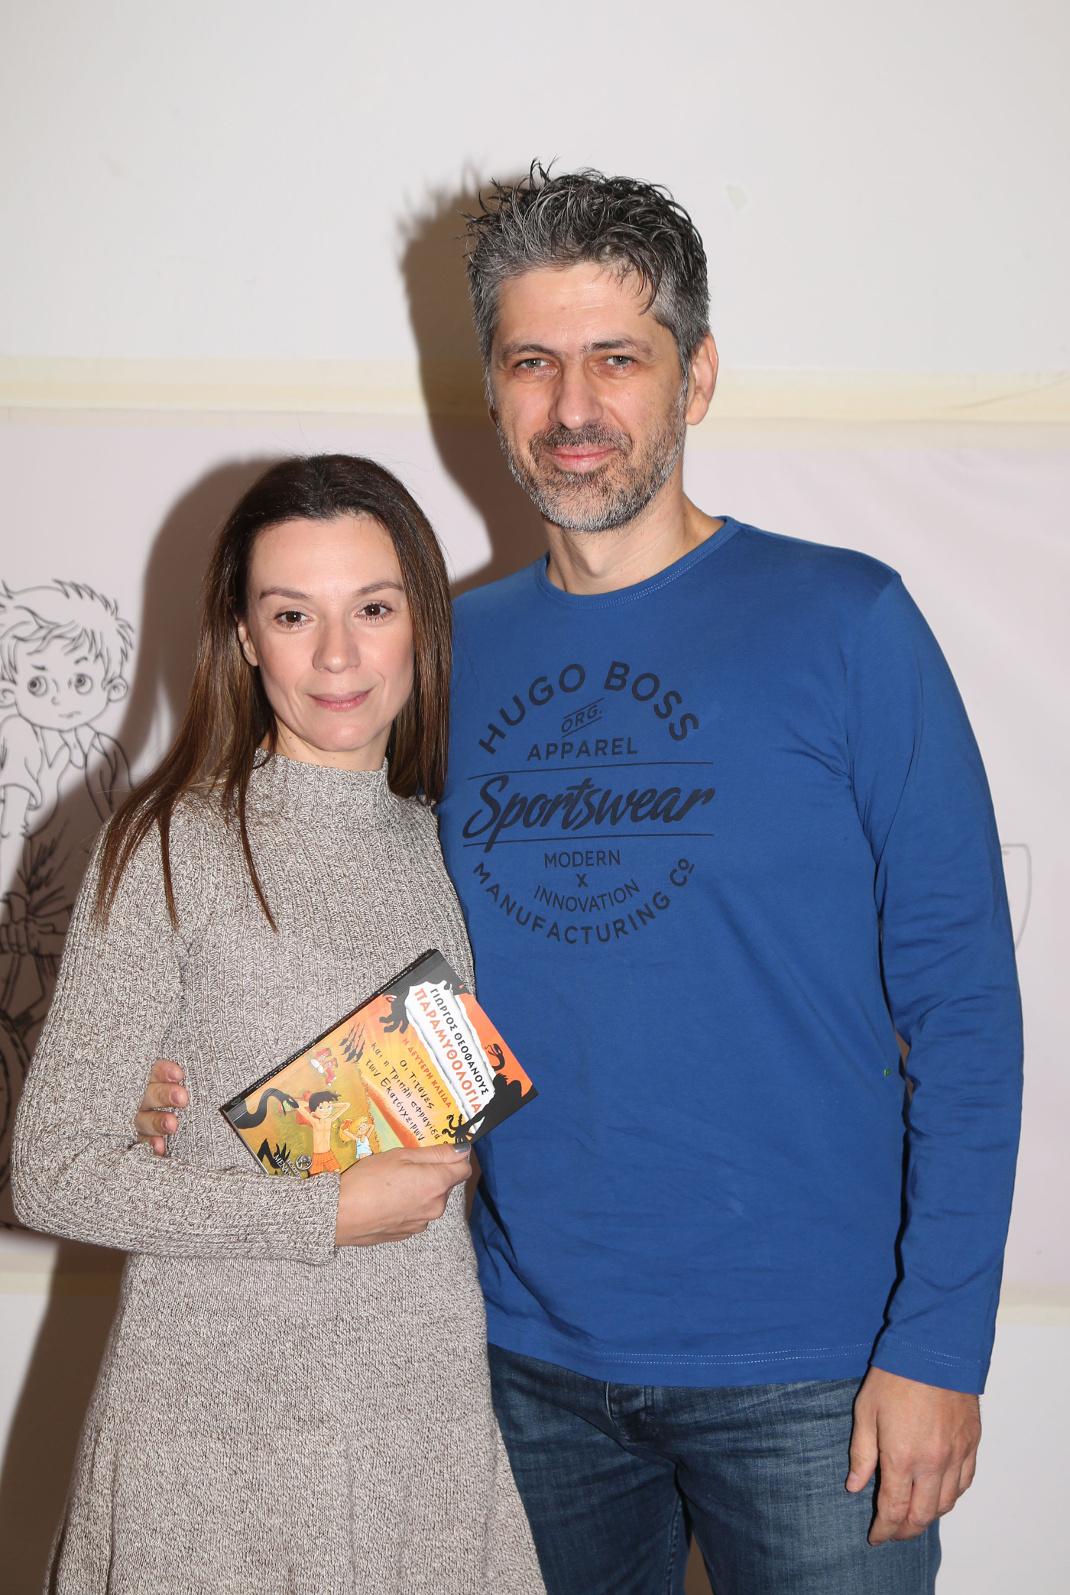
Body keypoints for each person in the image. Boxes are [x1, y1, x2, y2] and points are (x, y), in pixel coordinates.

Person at [138, 168, 1023, 1595]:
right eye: (531, 362)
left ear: (696, 375)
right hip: (518, 1360)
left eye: (617, 357)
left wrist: (937, 1345)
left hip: (815, 1368)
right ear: (490, 391)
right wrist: (187, 1096)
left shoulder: (845, 621)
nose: (571, 406)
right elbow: (347, 923)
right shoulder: (437, 654)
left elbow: (966, 1011)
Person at [13, 455, 544, 1594]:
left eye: (374, 608)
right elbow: (49, 1171)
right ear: (245, 637)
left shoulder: (447, 838)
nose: (337, 656)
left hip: (422, 1420)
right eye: (294, 615)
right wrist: (324, 1212)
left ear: (422, 621)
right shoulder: (171, 842)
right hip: (213, 1443)